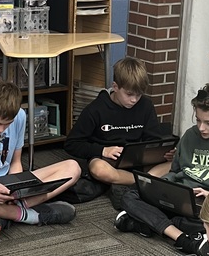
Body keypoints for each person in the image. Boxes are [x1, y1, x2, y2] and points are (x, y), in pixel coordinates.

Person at [114, 83, 209, 256]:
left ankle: (144, 223)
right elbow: (176, 170)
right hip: (179, 194)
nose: (201, 128)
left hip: (207, 203)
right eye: (199, 120)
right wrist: (163, 184)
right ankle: (183, 238)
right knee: (130, 195)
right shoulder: (190, 134)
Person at [0, 80, 80, 237]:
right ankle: (27, 215)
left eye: (7, 124)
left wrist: (16, 189)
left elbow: (16, 161)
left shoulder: (19, 116)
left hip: (7, 187)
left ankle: (3, 213)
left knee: (73, 168)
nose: (0, 129)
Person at [64, 56, 170, 190]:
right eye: (129, 94)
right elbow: (71, 144)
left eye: (139, 95)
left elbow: (153, 139)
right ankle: (144, 182)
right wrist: (103, 150)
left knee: (175, 162)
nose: (134, 100)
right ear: (115, 87)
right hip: (108, 161)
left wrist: (161, 152)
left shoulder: (146, 105)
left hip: (137, 159)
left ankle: (136, 182)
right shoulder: (96, 109)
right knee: (99, 170)